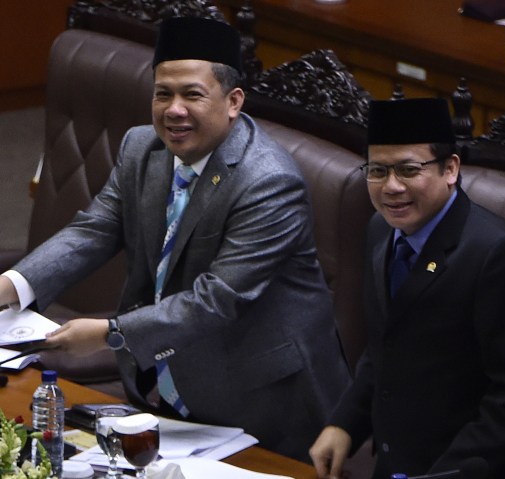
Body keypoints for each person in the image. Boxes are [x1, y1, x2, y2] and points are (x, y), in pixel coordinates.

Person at [0, 16, 351, 462]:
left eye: (192, 94)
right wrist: (11, 286)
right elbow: (94, 229)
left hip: (265, 402)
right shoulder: (141, 148)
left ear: (233, 101)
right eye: (163, 93)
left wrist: (112, 334)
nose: (174, 110)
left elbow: (216, 298)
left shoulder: (269, 181)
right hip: (170, 382)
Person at [308, 98, 505, 479]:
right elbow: (384, 348)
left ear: (450, 168)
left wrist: (449, 475)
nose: (391, 187)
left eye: (409, 170)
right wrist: (345, 423)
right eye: (377, 170)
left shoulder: (499, 253)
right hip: (395, 464)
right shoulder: (380, 230)